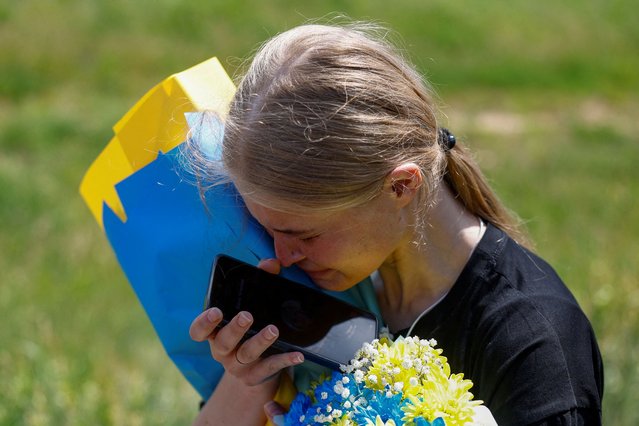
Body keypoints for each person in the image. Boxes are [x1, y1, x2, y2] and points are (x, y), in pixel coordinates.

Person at [187, 22, 604, 425]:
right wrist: (252, 380)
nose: (282, 255)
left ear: (401, 186)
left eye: (305, 234)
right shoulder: (319, 289)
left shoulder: (532, 341)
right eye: (269, 230)